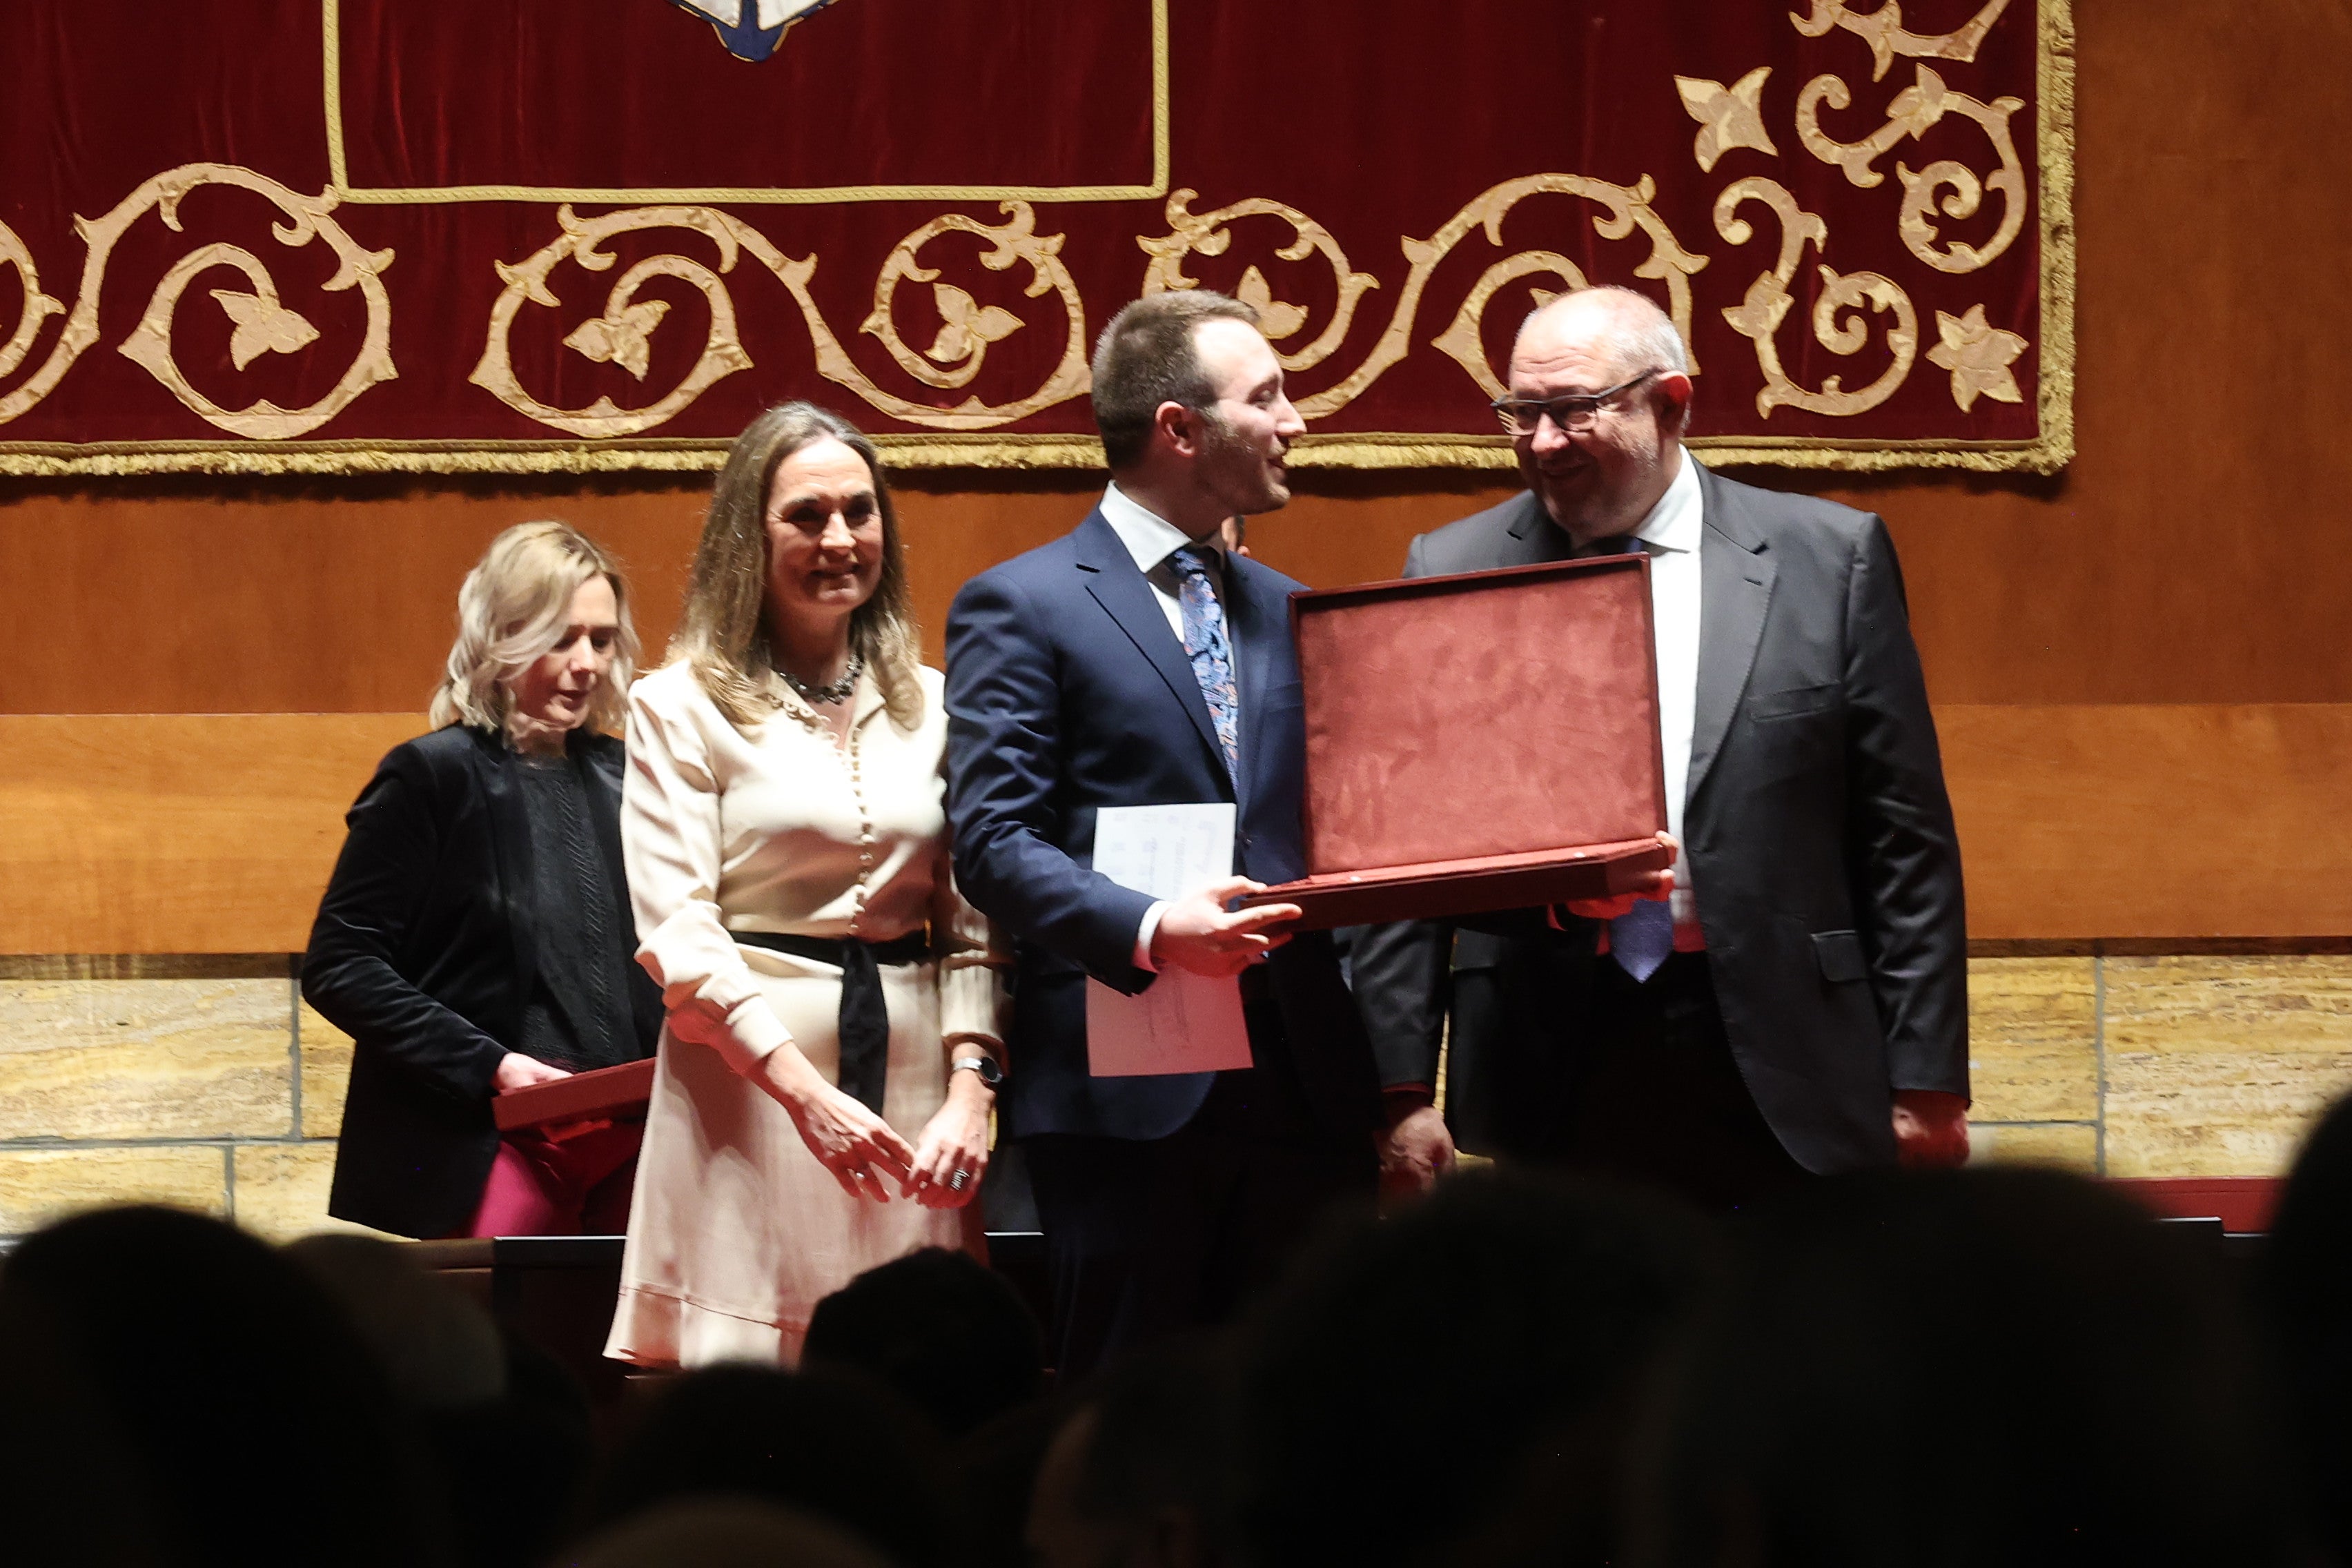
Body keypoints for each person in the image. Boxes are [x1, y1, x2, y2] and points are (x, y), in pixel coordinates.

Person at [1353, 285, 1969, 1209]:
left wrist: (1926, 1079)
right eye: (1522, 413)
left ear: (1672, 403)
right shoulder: (1452, 569)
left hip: (1783, 1048)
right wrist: (1402, 1090)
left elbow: (1904, 844)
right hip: (1549, 1048)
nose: (1544, 443)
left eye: (1572, 412)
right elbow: (1412, 857)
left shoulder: (1826, 559)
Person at [944, 288, 1382, 1381]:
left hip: (1304, 1090)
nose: (1297, 421)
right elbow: (994, 841)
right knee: (1127, 1423)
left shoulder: (1295, 607)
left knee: (1302, 1421)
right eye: (1268, 397)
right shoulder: (1024, 604)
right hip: (1126, 1098)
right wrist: (1148, 928)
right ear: (1180, 430)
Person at [607, 402, 1008, 1369]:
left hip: (915, 1092)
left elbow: (972, 930)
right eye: (808, 516)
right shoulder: (679, 706)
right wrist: (805, 1097)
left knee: (916, 1378)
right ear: (752, 534)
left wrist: (970, 1087)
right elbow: (681, 937)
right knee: (755, 1395)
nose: (841, 540)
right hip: (750, 1090)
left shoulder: (939, 704)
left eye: (860, 513)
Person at [304, 520, 663, 1239]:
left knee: (629, 1356)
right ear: (502, 639)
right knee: (507, 1347)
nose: (587, 662)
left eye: (601, 639)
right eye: (561, 638)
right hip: (491, 1136)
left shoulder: (632, 777)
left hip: (634, 1139)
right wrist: (493, 1065)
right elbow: (340, 964)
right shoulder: (432, 776)